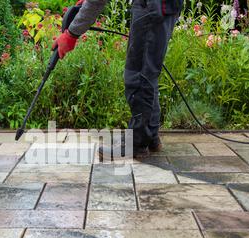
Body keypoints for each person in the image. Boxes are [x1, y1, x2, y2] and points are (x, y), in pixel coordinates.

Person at [53, 0, 184, 159]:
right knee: (147, 72)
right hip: (162, 7)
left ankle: (136, 144)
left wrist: (71, 33)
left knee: (138, 75)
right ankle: (149, 137)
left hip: (152, 7)